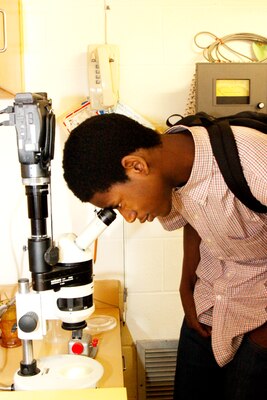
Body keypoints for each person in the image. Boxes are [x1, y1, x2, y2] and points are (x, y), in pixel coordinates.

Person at [62, 112, 267, 400]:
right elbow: (197, 218)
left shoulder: (256, 164)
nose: (129, 216)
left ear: (136, 166)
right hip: (208, 303)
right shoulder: (173, 165)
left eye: (120, 204)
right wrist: (186, 287)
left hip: (260, 318)